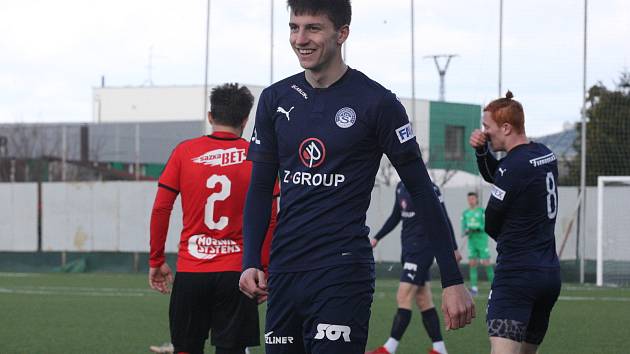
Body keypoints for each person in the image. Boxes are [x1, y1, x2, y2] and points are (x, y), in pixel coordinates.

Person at [238, 1, 474, 353]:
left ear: (342, 33)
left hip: (341, 271)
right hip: (284, 272)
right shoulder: (275, 99)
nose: (300, 38)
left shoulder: (376, 103)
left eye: (313, 28)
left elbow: (423, 191)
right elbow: (259, 189)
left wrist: (452, 280)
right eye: (294, 27)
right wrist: (250, 261)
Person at [149, 83, 277, 354]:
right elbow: (272, 218)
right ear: (245, 120)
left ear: (210, 117)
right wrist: (262, 267)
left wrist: (156, 260)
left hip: (191, 272)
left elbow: (161, 208)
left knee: (185, 348)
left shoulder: (184, 152)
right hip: (237, 273)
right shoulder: (258, 158)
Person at [469, 91, 561, 354]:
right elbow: (500, 176)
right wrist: (481, 152)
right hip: (549, 274)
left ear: (506, 127)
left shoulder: (514, 167)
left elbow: (491, 221)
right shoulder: (545, 155)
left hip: (517, 275)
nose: (484, 133)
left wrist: (511, 238)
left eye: (488, 127)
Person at [366, 181, 462, 354]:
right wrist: (377, 237)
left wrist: (453, 247)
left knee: (403, 295)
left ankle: (389, 348)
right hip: (408, 249)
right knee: (423, 299)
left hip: (423, 249)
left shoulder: (429, 188)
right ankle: (440, 349)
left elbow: (443, 218)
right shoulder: (400, 187)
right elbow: (396, 216)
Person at [461, 191, 494, 296]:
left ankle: (495, 287)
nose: (471, 201)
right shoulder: (465, 213)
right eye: (469, 199)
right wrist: (466, 231)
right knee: (472, 263)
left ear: (477, 200)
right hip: (472, 241)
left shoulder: (482, 211)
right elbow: (463, 228)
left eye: (473, 198)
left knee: (486, 263)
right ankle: (474, 288)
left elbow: (486, 226)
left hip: (481, 241)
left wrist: (475, 228)